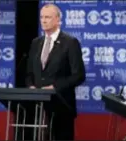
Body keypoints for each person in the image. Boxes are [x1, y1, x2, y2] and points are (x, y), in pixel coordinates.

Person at [25, 4, 85, 140]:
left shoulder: (70, 43)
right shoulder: (36, 43)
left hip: (61, 106)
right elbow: (29, 73)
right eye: (41, 17)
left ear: (58, 20)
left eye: (47, 17)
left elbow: (79, 75)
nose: (43, 20)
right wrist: (31, 87)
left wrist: (55, 87)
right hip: (37, 107)